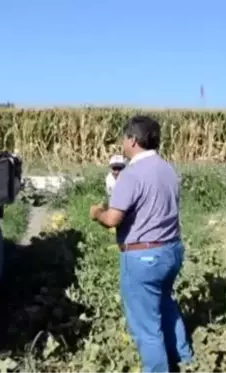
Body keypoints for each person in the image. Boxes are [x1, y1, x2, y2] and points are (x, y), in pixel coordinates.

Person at [89, 115, 193, 372]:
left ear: (133, 140)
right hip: (172, 250)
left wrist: (96, 214)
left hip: (143, 257)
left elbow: (113, 218)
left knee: (146, 325)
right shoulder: (168, 169)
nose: (123, 143)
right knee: (166, 303)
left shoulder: (131, 174)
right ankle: (184, 357)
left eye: (124, 138)